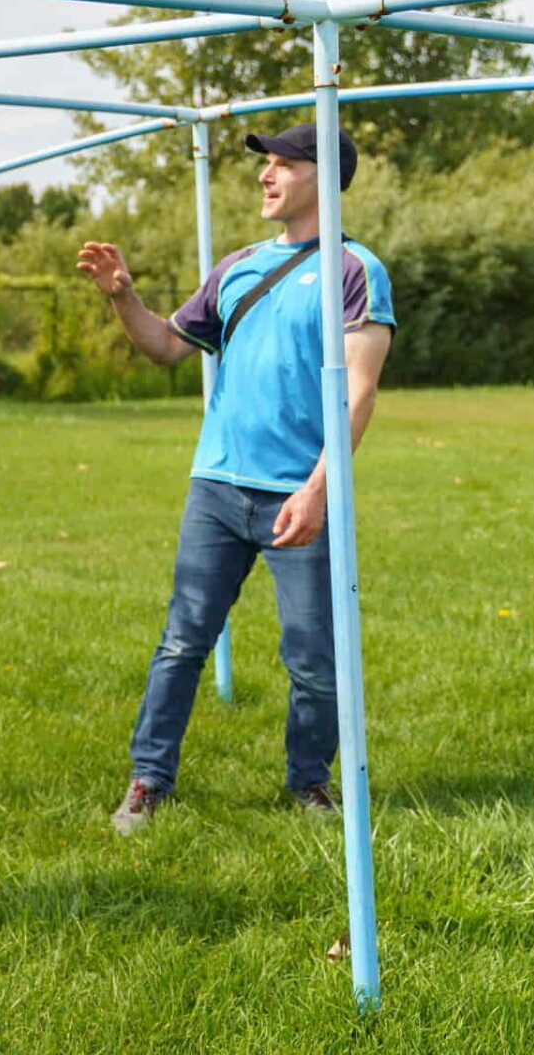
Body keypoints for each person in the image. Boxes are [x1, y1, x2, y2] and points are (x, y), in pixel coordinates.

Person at [76, 123, 394, 835]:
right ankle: (147, 782)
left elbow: (359, 394)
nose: (265, 175)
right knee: (182, 642)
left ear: (323, 175)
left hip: (299, 496)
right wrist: (122, 296)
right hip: (216, 489)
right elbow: (164, 346)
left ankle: (309, 784)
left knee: (314, 660)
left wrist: (317, 491)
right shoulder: (238, 267)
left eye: (283, 163)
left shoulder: (354, 270)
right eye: (266, 164)